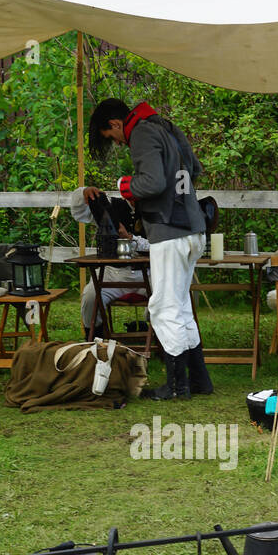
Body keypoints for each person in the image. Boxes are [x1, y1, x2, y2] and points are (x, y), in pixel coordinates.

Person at [87, 98, 212, 399]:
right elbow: (193, 169)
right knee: (180, 307)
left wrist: (125, 186)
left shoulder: (141, 133)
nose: (117, 143)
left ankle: (176, 387)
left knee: (162, 309)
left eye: (111, 137)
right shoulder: (165, 126)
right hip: (193, 227)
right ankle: (198, 380)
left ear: (116, 124)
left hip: (169, 232)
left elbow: (152, 181)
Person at [68, 186, 149, 337]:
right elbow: (80, 212)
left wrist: (130, 238)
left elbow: (161, 246)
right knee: (91, 296)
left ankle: (161, 339)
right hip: (113, 273)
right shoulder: (110, 207)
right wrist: (84, 192)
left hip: (150, 273)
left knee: (167, 294)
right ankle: (95, 340)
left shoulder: (157, 211)